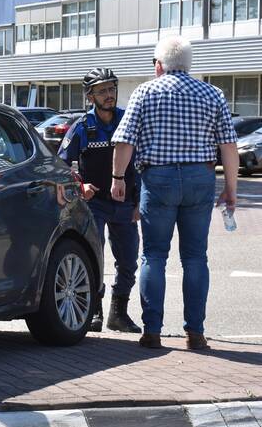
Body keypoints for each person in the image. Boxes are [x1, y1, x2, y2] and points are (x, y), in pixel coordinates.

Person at [110, 36, 238, 350]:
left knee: (154, 255)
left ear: (159, 64)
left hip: (158, 178)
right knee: (195, 258)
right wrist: (231, 189)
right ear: (189, 64)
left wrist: (117, 179)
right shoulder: (213, 94)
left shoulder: (145, 92)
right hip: (200, 177)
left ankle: (152, 330)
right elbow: (229, 146)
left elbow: (124, 141)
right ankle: (195, 332)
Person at [58, 68, 141, 334]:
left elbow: (141, 163)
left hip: (126, 204)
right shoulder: (81, 127)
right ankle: (94, 310)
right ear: (90, 96)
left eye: (112, 88)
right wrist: (80, 185)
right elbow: (60, 165)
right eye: (102, 90)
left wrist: (139, 202)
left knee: (129, 260)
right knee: (94, 256)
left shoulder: (128, 120)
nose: (109, 95)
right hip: (94, 205)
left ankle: (119, 313)